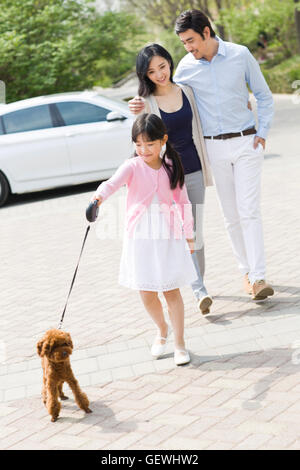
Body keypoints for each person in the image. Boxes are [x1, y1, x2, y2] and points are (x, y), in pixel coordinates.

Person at [130, 10, 274, 301]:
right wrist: (138, 104)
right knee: (231, 215)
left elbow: (263, 94)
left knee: (249, 210)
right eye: (183, 43)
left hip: (247, 141)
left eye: (191, 40)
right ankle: (246, 272)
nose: (188, 47)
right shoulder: (184, 67)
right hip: (212, 149)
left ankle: (258, 276)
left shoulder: (240, 54)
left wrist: (263, 131)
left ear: (207, 32)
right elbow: (164, 91)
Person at [91, 113, 198, 365]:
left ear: (163, 140)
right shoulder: (132, 166)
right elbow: (111, 185)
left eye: (149, 144)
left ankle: (180, 343)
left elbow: (183, 203)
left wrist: (190, 235)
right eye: (138, 144)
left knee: (171, 290)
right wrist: (97, 199)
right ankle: (162, 330)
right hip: (140, 236)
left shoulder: (172, 166)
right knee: (147, 292)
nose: (143, 150)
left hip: (167, 234)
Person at [128, 43, 214, 315]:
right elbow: (141, 140)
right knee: (178, 233)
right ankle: (192, 286)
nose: (159, 74)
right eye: (152, 72)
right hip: (167, 178)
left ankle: (199, 286)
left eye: (162, 67)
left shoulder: (187, 91)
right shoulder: (146, 103)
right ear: (145, 75)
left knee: (195, 232)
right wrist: (136, 110)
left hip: (194, 170)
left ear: (169, 62)